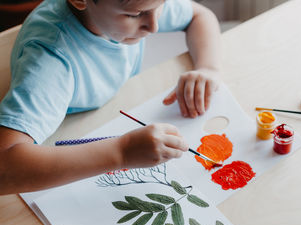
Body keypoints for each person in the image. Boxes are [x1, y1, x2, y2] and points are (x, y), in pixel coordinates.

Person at [0, 0, 221, 195]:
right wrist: (122, 152)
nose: (153, 27)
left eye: (160, 5)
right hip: (69, 122)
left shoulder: (138, 4)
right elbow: (5, 164)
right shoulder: (51, 63)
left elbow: (199, 14)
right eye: (135, 14)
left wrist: (208, 68)